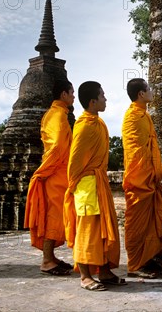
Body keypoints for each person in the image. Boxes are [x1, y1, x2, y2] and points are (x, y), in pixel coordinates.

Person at [63, 81, 124, 291]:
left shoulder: (99, 123)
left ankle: (105, 271)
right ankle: (85, 276)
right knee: (88, 231)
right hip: (87, 184)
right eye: (102, 96)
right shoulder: (84, 126)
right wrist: (74, 186)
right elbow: (74, 162)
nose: (105, 99)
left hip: (100, 182)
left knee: (104, 230)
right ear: (92, 101)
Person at [122, 78, 162, 278]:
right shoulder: (132, 117)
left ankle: (149, 258)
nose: (152, 91)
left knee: (151, 223)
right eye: (149, 89)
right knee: (137, 224)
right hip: (138, 180)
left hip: (149, 179)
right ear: (141, 94)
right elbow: (135, 153)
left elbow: (149, 148)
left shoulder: (144, 116)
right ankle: (135, 264)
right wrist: (146, 174)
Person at [24, 79, 74, 276]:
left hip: (59, 172)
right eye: (71, 92)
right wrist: (44, 170)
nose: (73, 96)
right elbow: (57, 148)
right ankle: (46, 260)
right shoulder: (57, 116)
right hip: (55, 174)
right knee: (54, 217)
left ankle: (50, 257)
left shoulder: (59, 114)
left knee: (57, 216)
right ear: (63, 94)